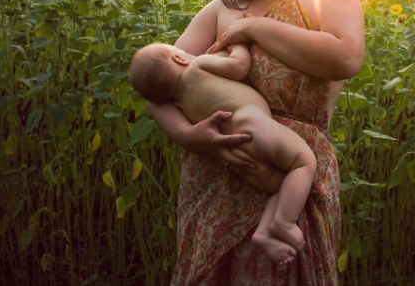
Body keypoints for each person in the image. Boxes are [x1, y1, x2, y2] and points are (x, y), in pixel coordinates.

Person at [144, 0, 365, 285]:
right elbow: (156, 83)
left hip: (291, 176)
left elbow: (346, 58)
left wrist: (255, 27)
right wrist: (189, 136)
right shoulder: (221, 9)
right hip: (215, 180)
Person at [129, 41, 317, 264]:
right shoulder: (197, 66)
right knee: (303, 163)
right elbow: (238, 66)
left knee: (284, 183)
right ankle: (284, 222)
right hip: (253, 124)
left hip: (237, 150)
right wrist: (238, 44)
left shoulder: (181, 105)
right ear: (180, 59)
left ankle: (264, 232)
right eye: (181, 51)